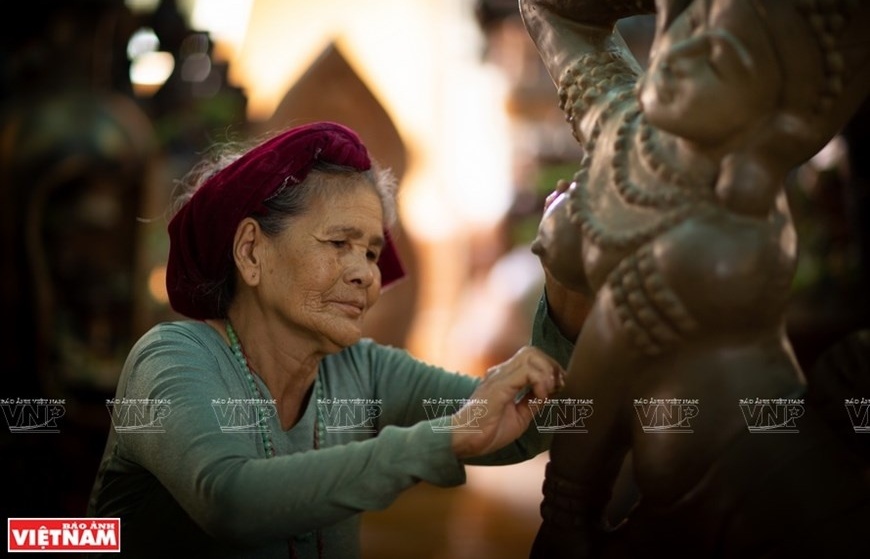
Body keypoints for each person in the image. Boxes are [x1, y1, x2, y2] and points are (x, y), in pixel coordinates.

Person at [86, 121, 569, 558]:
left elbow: (519, 427)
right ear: (251, 251)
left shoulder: (363, 370)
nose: (365, 274)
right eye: (339, 244)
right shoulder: (172, 359)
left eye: (373, 253)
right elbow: (230, 501)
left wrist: (567, 279)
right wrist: (446, 437)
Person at [519, 0, 870, 557]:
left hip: (763, 495)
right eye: (680, 27)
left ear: (782, 123)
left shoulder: (720, 242)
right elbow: (550, 12)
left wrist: (565, 509)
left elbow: (602, 372)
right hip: (677, 486)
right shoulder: (633, 138)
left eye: (718, 57)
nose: (674, 54)